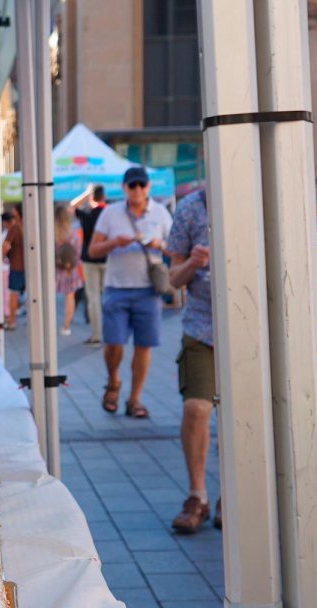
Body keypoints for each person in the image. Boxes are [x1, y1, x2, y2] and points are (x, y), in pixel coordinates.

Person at [87, 166, 172, 419]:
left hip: (148, 289)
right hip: (117, 287)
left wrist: (159, 244)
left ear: (148, 188)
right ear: (124, 188)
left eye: (141, 185)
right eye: (132, 185)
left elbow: (176, 250)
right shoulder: (110, 214)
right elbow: (92, 251)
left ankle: (135, 398)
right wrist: (115, 242)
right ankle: (113, 381)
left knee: (143, 346)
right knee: (114, 343)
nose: (137, 190)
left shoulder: (161, 214)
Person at [166, 189, 219, 532]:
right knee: (197, 408)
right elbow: (173, 278)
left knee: (240, 414)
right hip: (202, 327)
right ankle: (197, 495)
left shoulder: (257, 194)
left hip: (251, 327)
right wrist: (193, 263)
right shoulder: (189, 208)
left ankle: (234, 494)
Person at [74, 185, 107, 345]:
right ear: (104, 197)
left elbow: (70, 208)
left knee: (93, 297)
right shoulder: (108, 214)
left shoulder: (88, 214)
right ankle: (112, 333)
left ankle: (96, 335)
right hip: (108, 258)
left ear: (92, 198)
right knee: (108, 296)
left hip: (89, 258)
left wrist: (85, 195)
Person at [54, 204, 84, 336]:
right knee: (70, 298)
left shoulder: (51, 233)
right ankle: (66, 326)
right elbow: (77, 253)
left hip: (53, 269)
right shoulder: (73, 233)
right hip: (69, 269)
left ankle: (47, 323)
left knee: (48, 297)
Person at [3, 207, 25, 330]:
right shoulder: (25, 225)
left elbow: (5, 245)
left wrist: (2, 256)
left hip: (16, 265)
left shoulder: (15, 227)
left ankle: (11, 321)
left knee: (13, 293)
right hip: (27, 265)